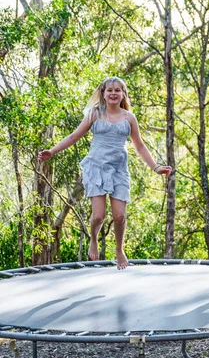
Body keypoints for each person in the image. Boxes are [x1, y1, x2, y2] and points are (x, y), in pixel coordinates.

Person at [38, 77, 172, 269]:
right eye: (110, 90)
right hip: (96, 167)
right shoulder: (94, 114)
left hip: (118, 170)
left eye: (117, 90)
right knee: (98, 216)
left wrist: (156, 167)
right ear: (103, 93)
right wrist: (52, 151)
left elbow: (140, 146)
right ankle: (93, 239)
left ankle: (119, 249)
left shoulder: (129, 118)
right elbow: (74, 136)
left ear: (123, 94)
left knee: (119, 216)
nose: (113, 93)